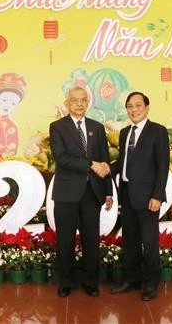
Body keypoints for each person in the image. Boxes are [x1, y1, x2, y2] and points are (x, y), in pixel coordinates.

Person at [49, 86, 113, 298]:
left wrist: (109, 191)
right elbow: (62, 158)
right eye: (75, 100)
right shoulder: (57, 127)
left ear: (88, 103)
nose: (79, 103)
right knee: (65, 240)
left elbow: (104, 162)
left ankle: (90, 282)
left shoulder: (97, 127)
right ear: (68, 102)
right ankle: (65, 282)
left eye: (83, 100)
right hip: (67, 192)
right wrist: (90, 164)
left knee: (91, 240)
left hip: (92, 193)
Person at [110, 91, 169, 301]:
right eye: (129, 106)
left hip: (148, 198)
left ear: (147, 107)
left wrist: (157, 196)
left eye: (138, 106)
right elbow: (125, 162)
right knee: (130, 240)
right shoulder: (125, 132)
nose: (133, 110)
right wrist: (105, 168)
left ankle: (152, 283)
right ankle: (131, 279)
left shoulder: (158, 132)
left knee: (149, 242)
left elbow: (163, 167)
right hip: (127, 194)